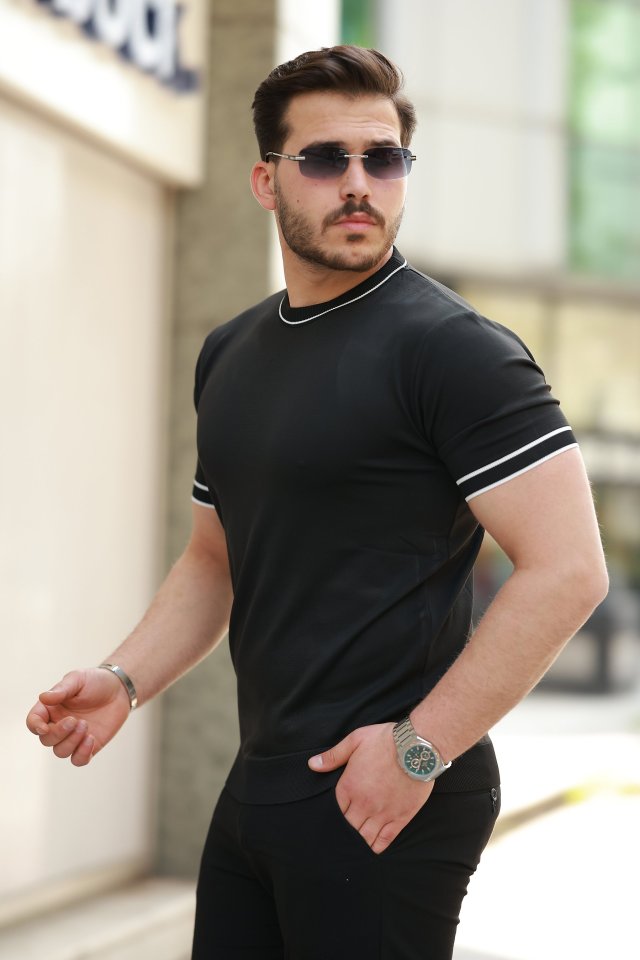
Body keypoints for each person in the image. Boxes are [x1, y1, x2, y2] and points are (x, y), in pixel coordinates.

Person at [26, 45, 608, 960]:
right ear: (267, 180)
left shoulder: (455, 350)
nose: (359, 184)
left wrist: (418, 749)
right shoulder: (229, 352)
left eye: (384, 159)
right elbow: (214, 560)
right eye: (327, 159)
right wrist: (125, 679)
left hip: (384, 786)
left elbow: (568, 569)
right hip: (262, 777)